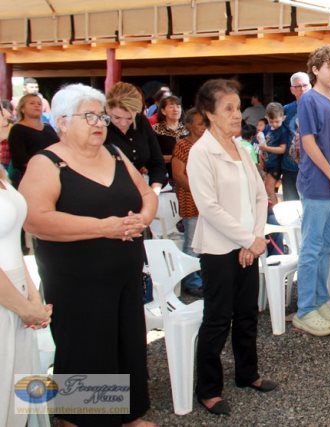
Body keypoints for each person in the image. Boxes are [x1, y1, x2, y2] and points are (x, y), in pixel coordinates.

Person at [20, 83, 158, 426]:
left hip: (124, 273)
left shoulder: (114, 152)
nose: (99, 123)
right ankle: (81, 419)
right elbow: (35, 220)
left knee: (126, 341)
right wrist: (103, 227)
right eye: (89, 116)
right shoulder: (47, 162)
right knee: (87, 346)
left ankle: (128, 414)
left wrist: (144, 216)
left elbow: (147, 192)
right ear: (63, 122)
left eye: (102, 116)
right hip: (77, 280)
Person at [186, 79, 276, 416]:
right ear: (209, 114)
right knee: (218, 319)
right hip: (218, 248)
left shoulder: (241, 147)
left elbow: (257, 194)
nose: (237, 115)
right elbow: (208, 207)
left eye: (238, 108)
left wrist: (253, 240)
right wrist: (247, 239)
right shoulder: (200, 152)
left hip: (245, 245)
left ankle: (247, 374)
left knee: (247, 314)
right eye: (229, 109)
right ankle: (208, 389)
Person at [292, 45, 330, 337]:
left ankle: (319, 302)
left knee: (327, 248)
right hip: (317, 185)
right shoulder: (309, 100)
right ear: (315, 70)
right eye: (329, 67)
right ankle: (304, 310)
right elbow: (309, 144)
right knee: (312, 248)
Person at [0, 134, 52, 427]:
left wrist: (33, 297)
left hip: (18, 294)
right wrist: (23, 306)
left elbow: (11, 239)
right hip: (6, 298)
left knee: (20, 389)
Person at [106, 82, 167, 193]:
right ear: (108, 110)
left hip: (139, 192)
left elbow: (157, 163)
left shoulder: (141, 122)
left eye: (129, 118)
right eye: (117, 118)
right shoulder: (100, 126)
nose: (123, 123)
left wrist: (154, 191)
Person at [171, 108, 206, 298]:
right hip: (191, 200)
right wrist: (199, 191)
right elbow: (178, 174)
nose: (203, 127)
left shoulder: (209, 144)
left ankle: (203, 277)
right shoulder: (183, 145)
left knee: (207, 242)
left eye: (205, 123)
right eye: (200, 123)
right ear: (189, 125)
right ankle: (191, 281)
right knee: (192, 242)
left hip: (208, 201)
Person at [8, 93, 60, 188]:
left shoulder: (48, 128)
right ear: (22, 109)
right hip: (28, 177)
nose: (37, 105)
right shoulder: (17, 130)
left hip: (54, 174)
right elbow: (20, 158)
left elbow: (59, 148)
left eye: (39, 104)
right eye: (32, 103)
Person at [282, 71, 311, 201]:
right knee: (290, 204)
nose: (302, 89)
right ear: (292, 90)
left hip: (311, 166)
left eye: (305, 85)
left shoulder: (318, 107)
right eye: (298, 86)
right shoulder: (286, 110)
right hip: (289, 166)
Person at [258, 102, 290, 205]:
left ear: (283, 118)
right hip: (267, 162)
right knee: (265, 187)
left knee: (269, 187)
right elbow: (262, 144)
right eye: (271, 121)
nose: (274, 124)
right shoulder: (267, 128)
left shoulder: (283, 131)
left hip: (276, 165)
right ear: (266, 118)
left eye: (277, 121)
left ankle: (276, 210)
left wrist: (266, 148)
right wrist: (261, 156)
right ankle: (270, 208)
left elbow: (282, 149)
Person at [153, 95, 189, 180]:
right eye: (171, 107)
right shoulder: (155, 130)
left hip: (188, 175)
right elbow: (153, 157)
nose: (175, 110)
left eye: (178, 106)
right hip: (165, 176)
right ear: (163, 111)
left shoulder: (188, 129)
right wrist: (176, 158)